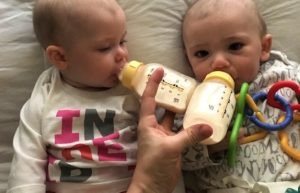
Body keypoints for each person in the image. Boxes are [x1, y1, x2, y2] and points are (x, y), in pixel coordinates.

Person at [7, 0, 213, 193]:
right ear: (60, 57)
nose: (122, 54)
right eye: (105, 47)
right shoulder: (46, 95)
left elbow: (166, 142)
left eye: (122, 40)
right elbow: (26, 163)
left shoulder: (136, 90)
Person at [181, 0, 300, 192]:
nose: (218, 62)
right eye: (202, 53)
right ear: (188, 59)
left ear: (263, 48)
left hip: (290, 184)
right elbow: (177, 156)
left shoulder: (285, 75)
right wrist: (208, 146)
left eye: (235, 46)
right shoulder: (192, 99)